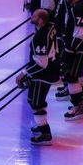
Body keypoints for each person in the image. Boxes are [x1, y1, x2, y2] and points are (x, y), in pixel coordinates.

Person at [17, 9, 60, 145]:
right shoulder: (50, 27)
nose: (31, 16)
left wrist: (24, 73)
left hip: (43, 75)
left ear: (41, 20)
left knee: (36, 103)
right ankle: (42, 126)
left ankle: (45, 133)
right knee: (37, 101)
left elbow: (41, 64)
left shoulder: (40, 36)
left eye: (34, 15)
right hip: (52, 70)